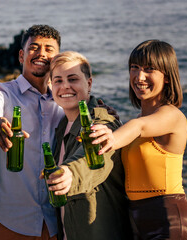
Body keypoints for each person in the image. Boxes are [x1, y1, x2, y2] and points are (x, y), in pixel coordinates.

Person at [92, 40, 187, 239]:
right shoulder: (138, 120)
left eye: (149, 69)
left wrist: (111, 136)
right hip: (136, 220)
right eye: (134, 68)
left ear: (166, 76)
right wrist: (115, 123)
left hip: (169, 219)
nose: (139, 76)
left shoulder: (173, 116)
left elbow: (139, 128)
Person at [0, 24, 64, 240]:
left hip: (55, 223)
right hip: (11, 221)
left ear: (57, 58)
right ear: (21, 55)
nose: (41, 54)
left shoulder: (64, 101)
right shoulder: (0, 92)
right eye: (34, 47)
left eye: (49, 49)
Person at [44, 51, 132, 240]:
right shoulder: (61, 126)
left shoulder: (102, 120)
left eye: (73, 79)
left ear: (89, 83)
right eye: (58, 80)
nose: (65, 86)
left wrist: (69, 174)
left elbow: (95, 153)